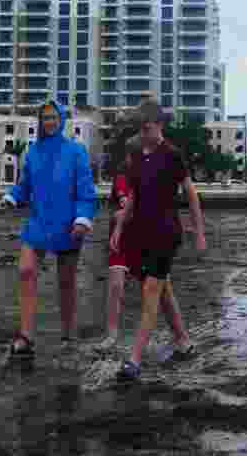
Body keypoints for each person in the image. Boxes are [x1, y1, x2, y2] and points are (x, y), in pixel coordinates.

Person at [111, 99, 206, 381]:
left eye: (146, 127)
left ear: (159, 125)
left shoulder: (173, 154)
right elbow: (135, 196)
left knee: (151, 292)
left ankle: (134, 359)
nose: (142, 132)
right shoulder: (138, 156)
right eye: (139, 128)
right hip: (142, 232)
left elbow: (190, 193)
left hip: (167, 233)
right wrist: (118, 229)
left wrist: (199, 232)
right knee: (163, 290)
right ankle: (184, 342)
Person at [0, 100, 98, 358]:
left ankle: (68, 336)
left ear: (62, 120)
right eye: (45, 118)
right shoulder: (33, 152)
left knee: (66, 283)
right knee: (26, 270)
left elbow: (86, 193)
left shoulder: (76, 151)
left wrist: (82, 219)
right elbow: (24, 186)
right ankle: (26, 336)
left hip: (68, 226)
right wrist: (11, 198)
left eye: (53, 117)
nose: (49, 122)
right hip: (38, 223)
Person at [95, 137, 143, 351]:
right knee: (115, 286)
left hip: (145, 238)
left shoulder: (151, 177)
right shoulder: (121, 179)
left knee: (156, 289)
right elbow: (123, 208)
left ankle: (159, 332)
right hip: (120, 238)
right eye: (132, 155)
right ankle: (112, 335)